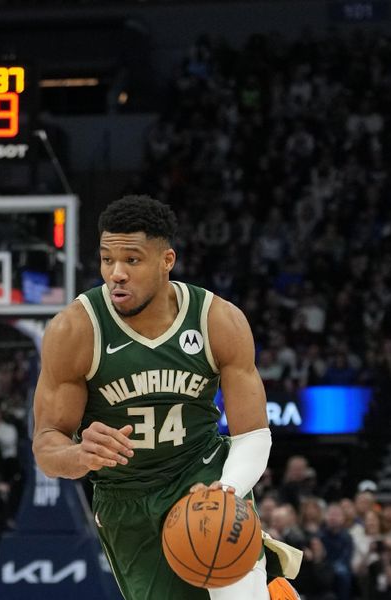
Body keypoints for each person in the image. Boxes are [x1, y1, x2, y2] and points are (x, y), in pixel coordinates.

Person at [32, 195, 277, 599]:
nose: (116, 274)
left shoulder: (217, 319)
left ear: (167, 261)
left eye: (132, 260)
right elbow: (46, 445)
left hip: (201, 476)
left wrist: (226, 489)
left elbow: (254, 434)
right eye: (107, 259)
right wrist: (78, 455)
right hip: (126, 498)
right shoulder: (75, 330)